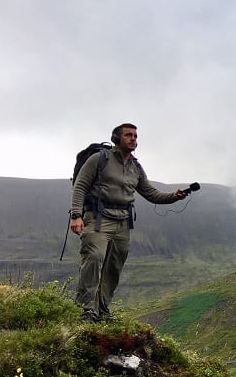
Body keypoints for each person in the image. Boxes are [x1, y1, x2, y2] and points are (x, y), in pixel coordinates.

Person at [70, 123, 188, 322]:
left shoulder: (136, 166)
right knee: (94, 257)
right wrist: (76, 215)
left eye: (135, 135)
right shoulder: (99, 159)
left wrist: (174, 196)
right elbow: (80, 186)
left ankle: (102, 309)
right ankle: (85, 309)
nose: (133, 139)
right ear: (117, 138)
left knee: (114, 266)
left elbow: (150, 193)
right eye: (128, 135)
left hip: (123, 222)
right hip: (98, 219)